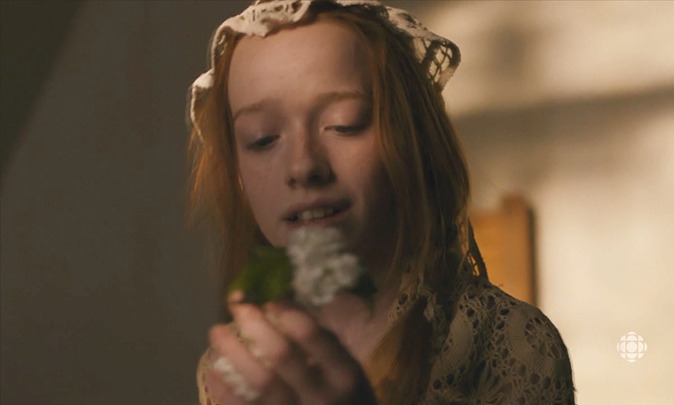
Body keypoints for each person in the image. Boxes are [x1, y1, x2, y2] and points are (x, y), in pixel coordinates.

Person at [186, 1, 576, 404]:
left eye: (344, 123)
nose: (303, 166)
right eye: (262, 138)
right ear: (237, 173)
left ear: (412, 139)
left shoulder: (510, 344)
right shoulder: (235, 366)